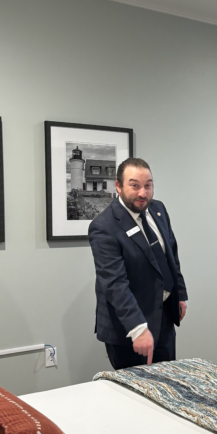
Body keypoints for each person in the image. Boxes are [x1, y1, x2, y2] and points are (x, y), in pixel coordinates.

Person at [89, 157, 188, 371]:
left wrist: (180, 294)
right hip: (130, 327)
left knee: (168, 384)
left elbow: (171, 254)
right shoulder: (104, 227)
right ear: (118, 186)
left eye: (148, 185)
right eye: (134, 186)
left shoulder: (158, 210)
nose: (143, 193)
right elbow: (115, 284)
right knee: (135, 393)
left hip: (163, 317)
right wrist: (138, 328)